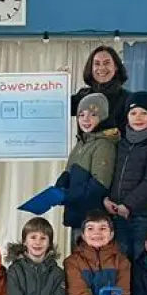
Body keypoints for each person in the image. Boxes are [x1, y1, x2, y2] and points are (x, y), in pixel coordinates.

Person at [106, 90, 147, 258]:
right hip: (116, 213)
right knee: (120, 261)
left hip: (142, 215)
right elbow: (110, 173)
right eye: (133, 113)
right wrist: (107, 199)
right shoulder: (121, 141)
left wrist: (128, 205)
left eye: (144, 113)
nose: (138, 117)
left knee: (140, 259)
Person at [58, 93, 117, 232]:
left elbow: (100, 184)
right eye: (81, 115)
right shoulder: (82, 142)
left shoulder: (104, 144)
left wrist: (67, 195)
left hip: (93, 221)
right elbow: (69, 171)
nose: (86, 119)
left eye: (93, 114)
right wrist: (60, 186)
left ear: (103, 117)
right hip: (77, 216)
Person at [71, 44, 129, 127]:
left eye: (106, 63)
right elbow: (57, 108)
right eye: (97, 63)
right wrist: (61, 80)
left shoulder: (127, 98)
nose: (102, 68)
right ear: (91, 68)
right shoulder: (82, 96)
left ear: (116, 66)